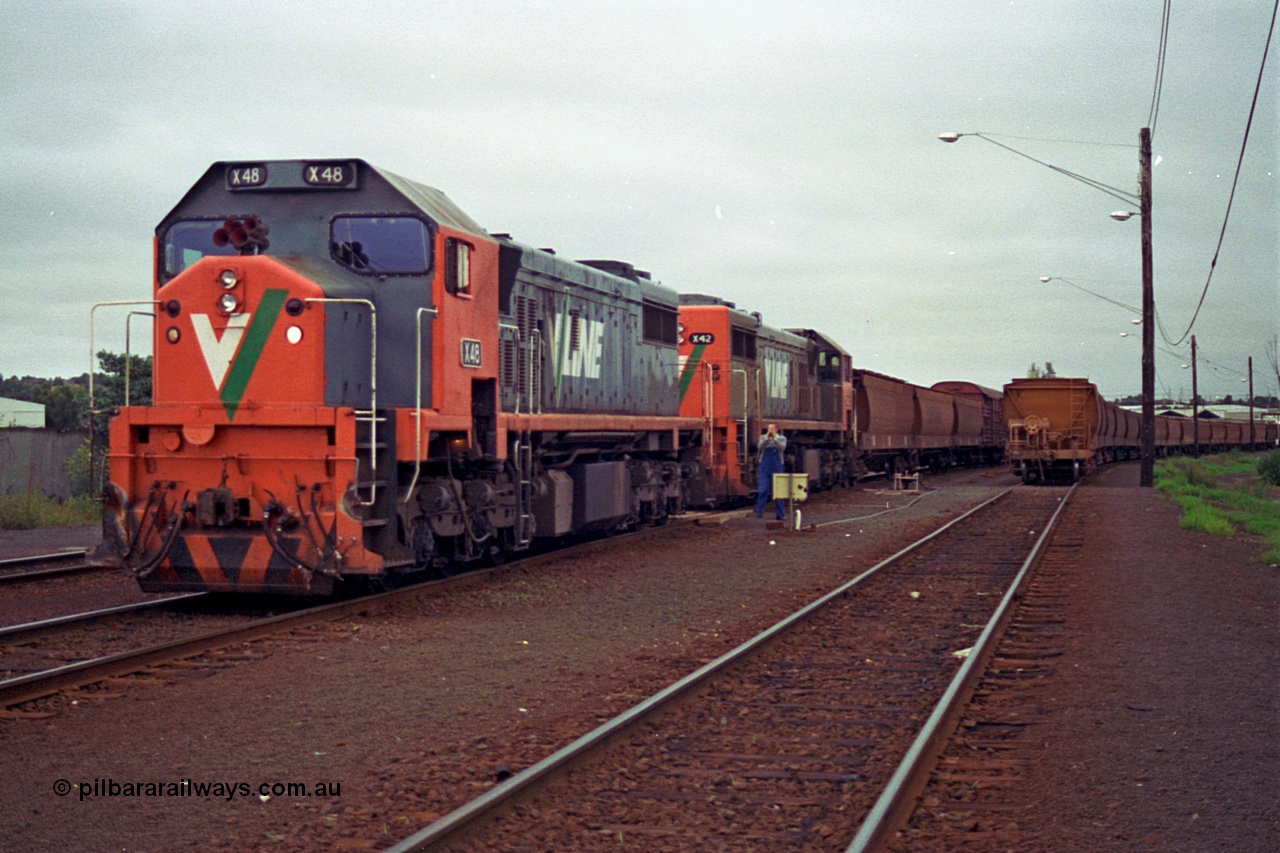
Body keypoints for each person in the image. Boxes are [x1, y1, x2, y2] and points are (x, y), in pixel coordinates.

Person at [755, 424, 787, 519]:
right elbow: (760, 447)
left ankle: (780, 514)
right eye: (769, 428)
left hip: (777, 466)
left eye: (772, 428)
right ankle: (759, 512)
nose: (770, 430)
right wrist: (767, 439)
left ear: (777, 429)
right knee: (763, 490)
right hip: (765, 467)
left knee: (779, 491)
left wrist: (775, 440)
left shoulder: (782, 438)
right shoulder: (763, 437)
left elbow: (782, 448)